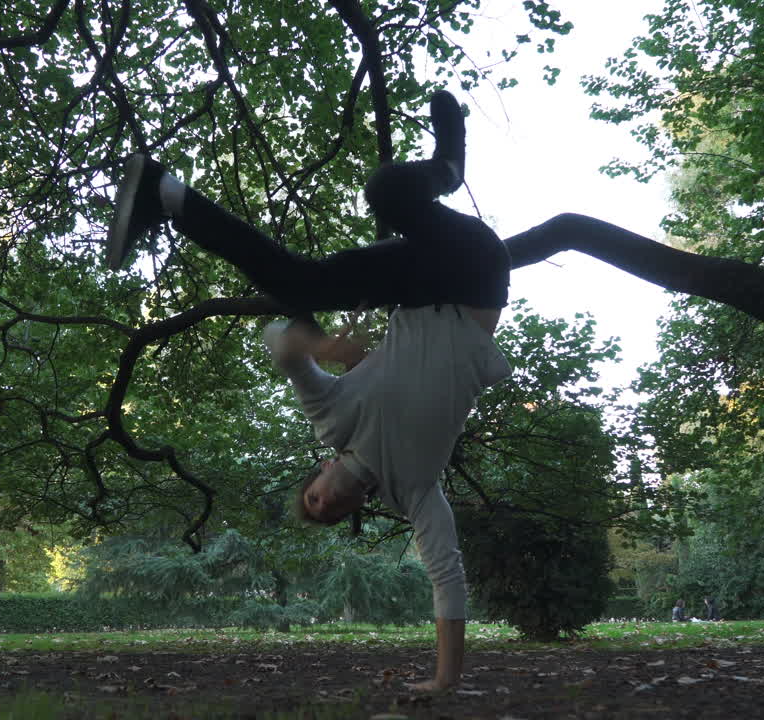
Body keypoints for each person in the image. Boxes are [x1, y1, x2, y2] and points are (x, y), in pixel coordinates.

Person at [107, 90, 511, 691]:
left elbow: (277, 338)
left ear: (321, 470)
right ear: (355, 505)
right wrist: (444, 680)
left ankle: (166, 194)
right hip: (477, 280)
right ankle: (447, 169)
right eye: (328, 513)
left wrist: (322, 350)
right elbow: (445, 577)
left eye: (313, 500)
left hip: (416, 286)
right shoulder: (416, 490)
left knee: (300, 280)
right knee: (387, 195)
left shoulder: (332, 418)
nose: (325, 504)